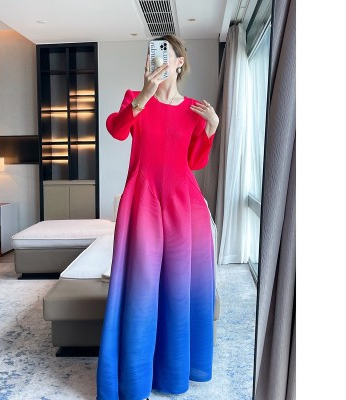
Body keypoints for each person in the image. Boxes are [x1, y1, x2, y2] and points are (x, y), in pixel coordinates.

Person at [96, 34, 220, 400]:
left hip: (184, 204)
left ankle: (174, 372)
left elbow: (195, 161)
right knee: (141, 285)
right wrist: (144, 96)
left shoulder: (195, 109)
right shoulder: (135, 99)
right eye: (154, 55)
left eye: (166, 55)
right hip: (143, 201)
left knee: (179, 287)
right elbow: (117, 131)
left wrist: (211, 129)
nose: (159, 61)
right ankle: (135, 378)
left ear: (180, 63)